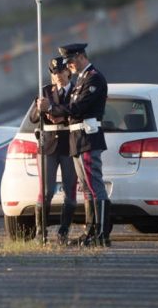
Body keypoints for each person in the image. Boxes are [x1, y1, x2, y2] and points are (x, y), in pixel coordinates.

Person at [37, 43, 111, 247]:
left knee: (95, 187)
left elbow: (79, 107)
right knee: (87, 188)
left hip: (88, 137)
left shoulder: (94, 77)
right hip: (77, 139)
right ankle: (90, 231)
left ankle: (102, 233)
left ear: (80, 57)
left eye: (69, 62)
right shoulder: (82, 79)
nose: (68, 66)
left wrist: (53, 107)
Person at [29, 56, 78, 245]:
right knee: (46, 190)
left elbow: (76, 110)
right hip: (48, 146)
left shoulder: (76, 91)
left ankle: (63, 231)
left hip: (69, 144)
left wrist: (55, 109)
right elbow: (33, 118)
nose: (58, 75)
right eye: (54, 72)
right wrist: (40, 108)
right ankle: (40, 232)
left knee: (70, 190)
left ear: (68, 71)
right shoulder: (45, 92)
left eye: (61, 71)